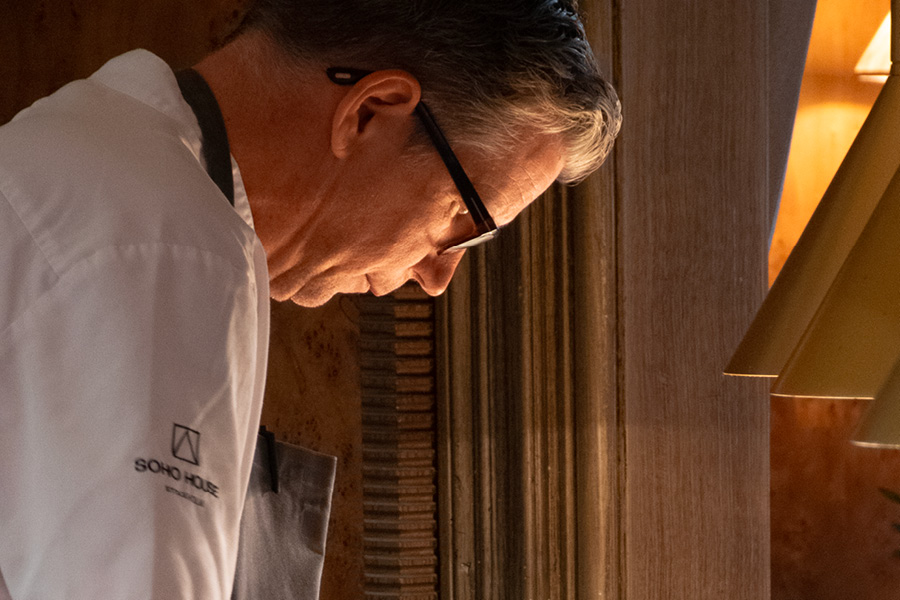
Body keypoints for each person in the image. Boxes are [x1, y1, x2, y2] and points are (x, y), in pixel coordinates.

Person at [0, 0, 620, 598]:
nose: (438, 276)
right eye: (464, 218)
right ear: (370, 111)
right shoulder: (174, 249)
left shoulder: (77, 145)